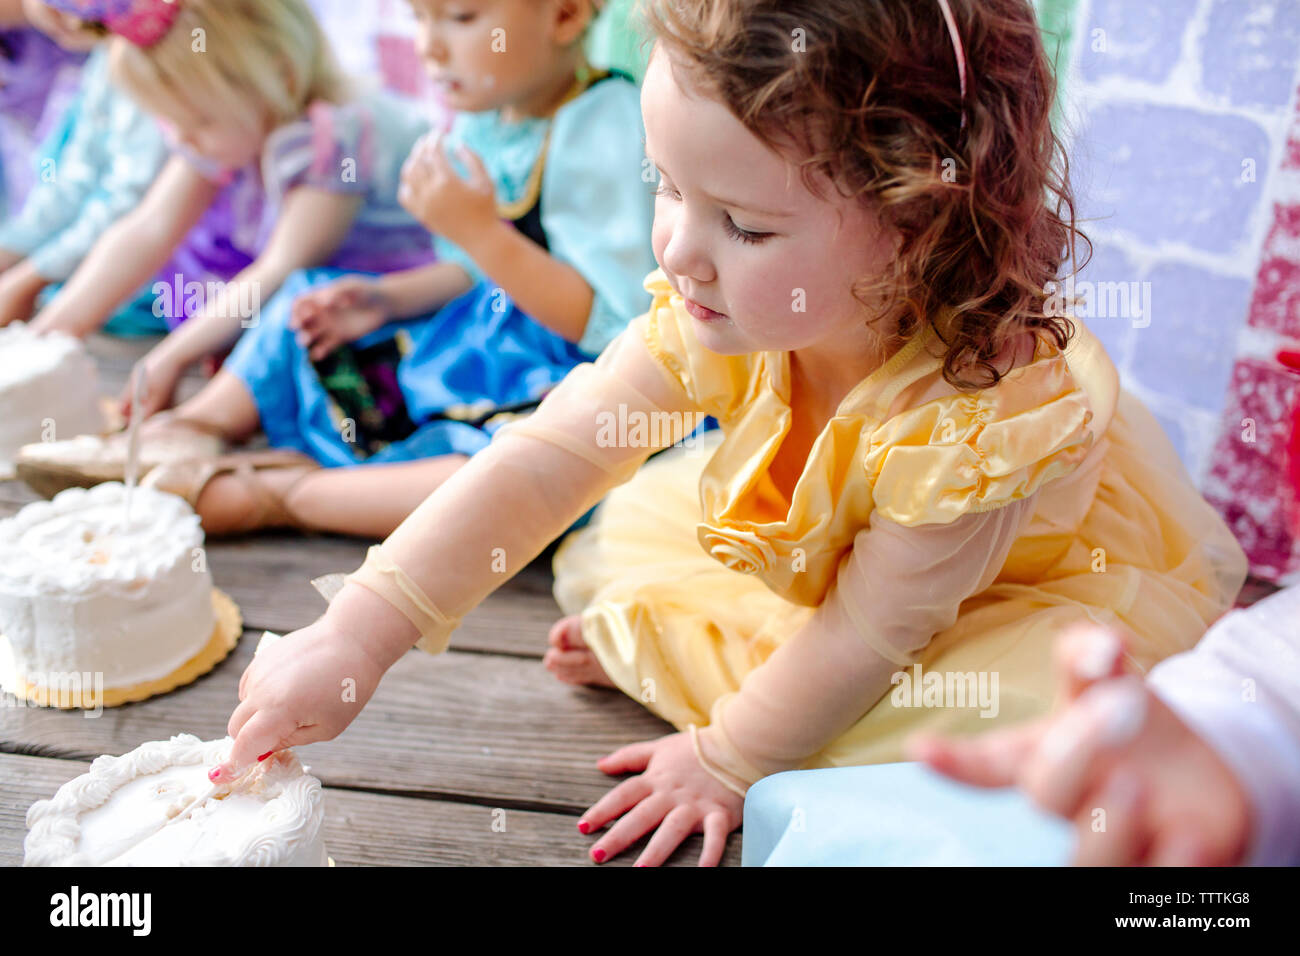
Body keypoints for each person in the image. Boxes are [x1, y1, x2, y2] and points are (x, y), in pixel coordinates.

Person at [213, 0, 1249, 867]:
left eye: (743, 225)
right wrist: (358, 630)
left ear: (921, 220)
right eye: (664, 186)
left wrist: (728, 758)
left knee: (961, 729)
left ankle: (736, 712)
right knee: (632, 526)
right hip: (852, 562)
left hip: (991, 602)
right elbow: (545, 457)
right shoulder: (725, 305)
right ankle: (706, 668)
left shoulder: (978, 418)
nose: (676, 250)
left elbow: (867, 634)